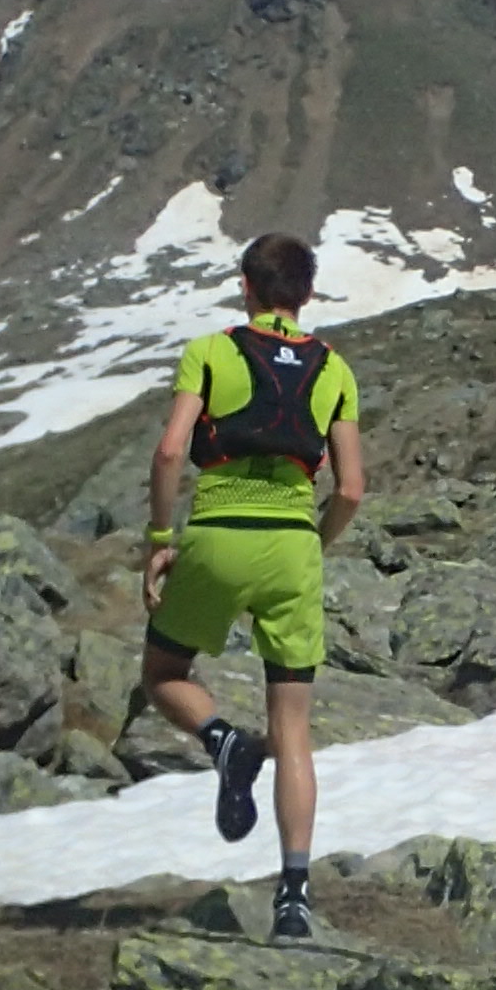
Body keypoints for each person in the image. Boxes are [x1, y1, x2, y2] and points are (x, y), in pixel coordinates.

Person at [138, 231, 363, 941]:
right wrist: (313, 543)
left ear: (245, 286)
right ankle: (294, 898)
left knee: (163, 672)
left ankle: (223, 740)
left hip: (217, 535)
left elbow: (170, 450)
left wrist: (159, 539)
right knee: (293, 730)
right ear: (308, 293)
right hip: (293, 546)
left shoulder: (211, 351)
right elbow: (351, 489)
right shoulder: (335, 369)